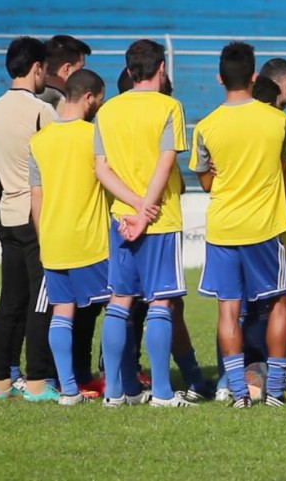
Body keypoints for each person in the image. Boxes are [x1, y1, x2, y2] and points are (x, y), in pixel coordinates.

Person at [190, 42, 286, 408]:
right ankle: (277, 388)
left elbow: (206, 182)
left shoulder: (206, 126)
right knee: (279, 302)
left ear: (220, 78)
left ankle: (237, 391)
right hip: (266, 228)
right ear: (255, 77)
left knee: (228, 309)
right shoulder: (278, 121)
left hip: (223, 228)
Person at [95, 39, 193, 407]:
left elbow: (101, 168)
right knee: (160, 303)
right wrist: (146, 209)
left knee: (119, 302)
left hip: (121, 218)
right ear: (161, 69)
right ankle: (164, 393)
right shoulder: (169, 106)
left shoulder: (107, 110)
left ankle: (116, 392)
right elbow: (166, 161)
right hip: (159, 219)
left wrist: (132, 206)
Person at [28, 69, 110, 404]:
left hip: (53, 240)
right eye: (100, 99)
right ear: (89, 96)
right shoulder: (93, 136)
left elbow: (36, 197)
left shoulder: (39, 140)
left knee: (62, 310)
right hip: (91, 241)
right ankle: (118, 385)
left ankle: (68, 389)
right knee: (119, 308)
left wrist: (43, 237)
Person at [0, 36, 58, 401]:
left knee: (11, 300)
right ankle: (36, 381)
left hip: (7, 215)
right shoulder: (41, 111)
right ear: (36, 68)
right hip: (35, 216)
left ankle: (1, 381)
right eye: (45, 68)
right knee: (40, 299)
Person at [38, 35, 92, 110]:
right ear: (67, 69)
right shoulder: (64, 106)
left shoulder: (27, 95)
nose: (83, 74)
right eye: (81, 68)